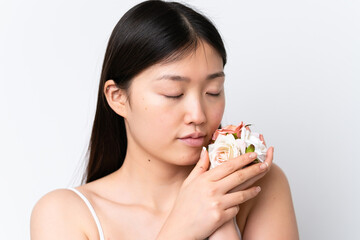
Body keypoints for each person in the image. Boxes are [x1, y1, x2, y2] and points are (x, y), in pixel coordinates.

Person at [30, 1, 299, 239]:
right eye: (174, 94)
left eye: (213, 92)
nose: (198, 115)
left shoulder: (259, 186)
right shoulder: (65, 214)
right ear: (118, 98)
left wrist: (221, 221)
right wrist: (181, 230)